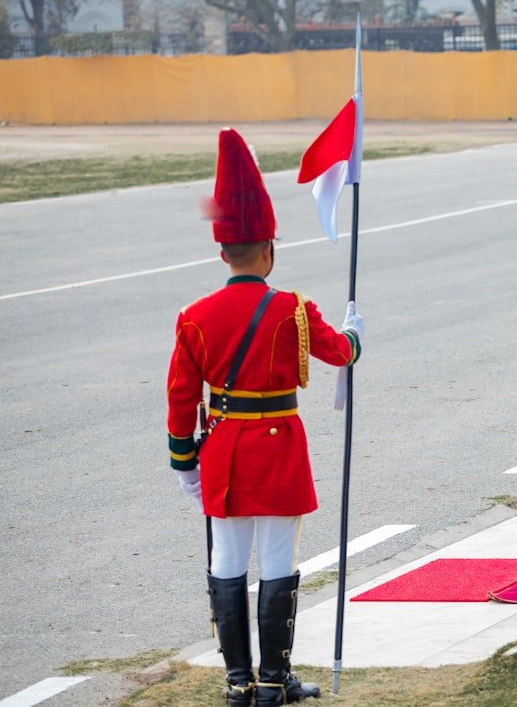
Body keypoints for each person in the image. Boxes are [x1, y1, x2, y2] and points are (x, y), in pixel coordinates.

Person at [166, 128, 364, 706]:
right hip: (278, 449)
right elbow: (340, 352)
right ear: (269, 249)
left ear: (223, 252)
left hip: (224, 449)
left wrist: (184, 463)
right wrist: (355, 330)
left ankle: (236, 683)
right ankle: (275, 681)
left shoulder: (195, 316)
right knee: (279, 561)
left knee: (226, 562)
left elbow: (181, 398)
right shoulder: (292, 309)